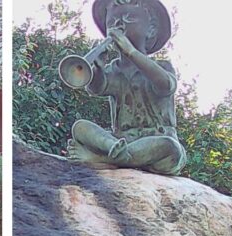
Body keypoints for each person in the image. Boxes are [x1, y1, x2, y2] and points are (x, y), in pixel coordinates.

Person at [66, 0, 187, 176]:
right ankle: (113, 151)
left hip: (157, 147)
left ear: (151, 29)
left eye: (129, 17)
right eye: (112, 21)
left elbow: (166, 85)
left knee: (171, 147)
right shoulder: (114, 70)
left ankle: (101, 159)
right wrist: (97, 69)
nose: (118, 25)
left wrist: (131, 51)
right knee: (80, 127)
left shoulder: (162, 66)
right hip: (120, 142)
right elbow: (95, 89)